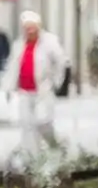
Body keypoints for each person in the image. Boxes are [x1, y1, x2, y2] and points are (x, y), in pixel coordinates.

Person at [15, 10, 69, 149]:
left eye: (32, 27)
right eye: (27, 28)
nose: (30, 31)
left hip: (43, 90)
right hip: (25, 91)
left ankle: (55, 144)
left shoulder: (49, 41)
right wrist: (7, 87)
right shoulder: (19, 44)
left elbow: (61, 62)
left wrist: (56, 82)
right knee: (27, 125)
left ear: (38, 27)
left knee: (43, 122)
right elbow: (12, 66)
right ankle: (32, 157)